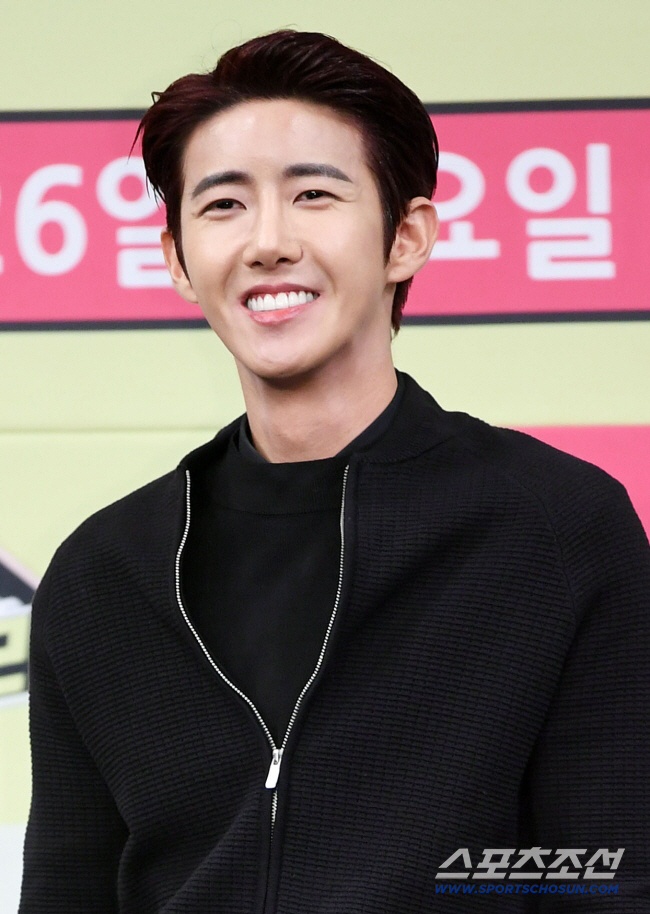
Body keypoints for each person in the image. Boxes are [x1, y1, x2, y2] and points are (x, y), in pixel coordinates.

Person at [20, 29, 650, 913]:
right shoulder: (103, 573)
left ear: (406, 237)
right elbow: (67, 890)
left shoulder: (557, 527)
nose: (268, 242)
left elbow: (605, 873)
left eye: (313, 194)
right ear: (176, 260)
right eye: (224, 204)